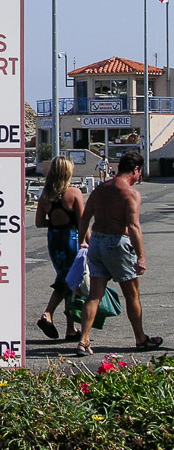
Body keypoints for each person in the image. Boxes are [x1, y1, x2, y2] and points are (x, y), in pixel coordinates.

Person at [76, 151, 163, 356]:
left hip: (96, 240)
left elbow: (85, 217)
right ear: (135, 170)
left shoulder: (100, 189)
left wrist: (82, 240)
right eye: (139, 172)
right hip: (117, 242)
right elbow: (133, 226)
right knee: (131, 294)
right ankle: (140, 338)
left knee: (94, 294)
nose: (139, 176)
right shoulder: (130, 193)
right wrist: (141, 257)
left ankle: (83, 340)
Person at [34, 156, 86, 341]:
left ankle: (71, 329)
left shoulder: (45, 197)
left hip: (54, 238)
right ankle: (48, 313)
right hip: (70, 238)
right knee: (69, 279)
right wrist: (88, 242)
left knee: (66, 278)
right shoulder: (74, 193)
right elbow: (82, 223)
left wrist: (55, 221)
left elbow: (39, 222)